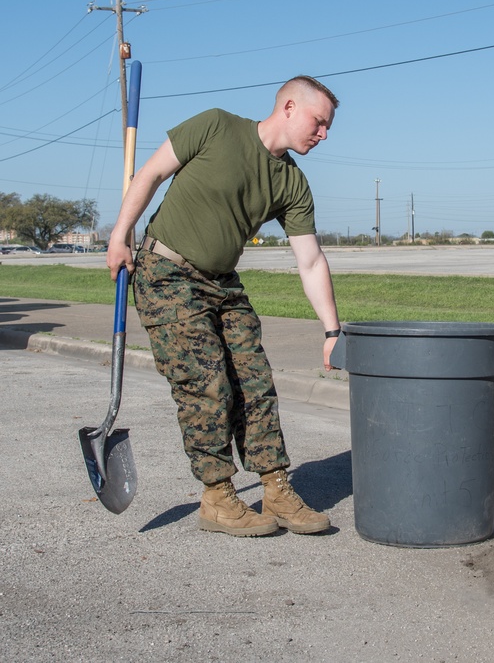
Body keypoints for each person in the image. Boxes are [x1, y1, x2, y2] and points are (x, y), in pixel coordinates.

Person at [106, 75, 342, 537]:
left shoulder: (292, 182)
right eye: (320, 122)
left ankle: (275, 488)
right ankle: (217, 496)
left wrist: (333, 332)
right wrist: (119, 236)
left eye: (328, 127)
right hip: (166, 271)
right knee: (206, 383)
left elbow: (310, 260)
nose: (324, 134)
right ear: (290, 107)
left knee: (254, 382)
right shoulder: (216, 126)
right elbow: (150, 174)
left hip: (222, 283)